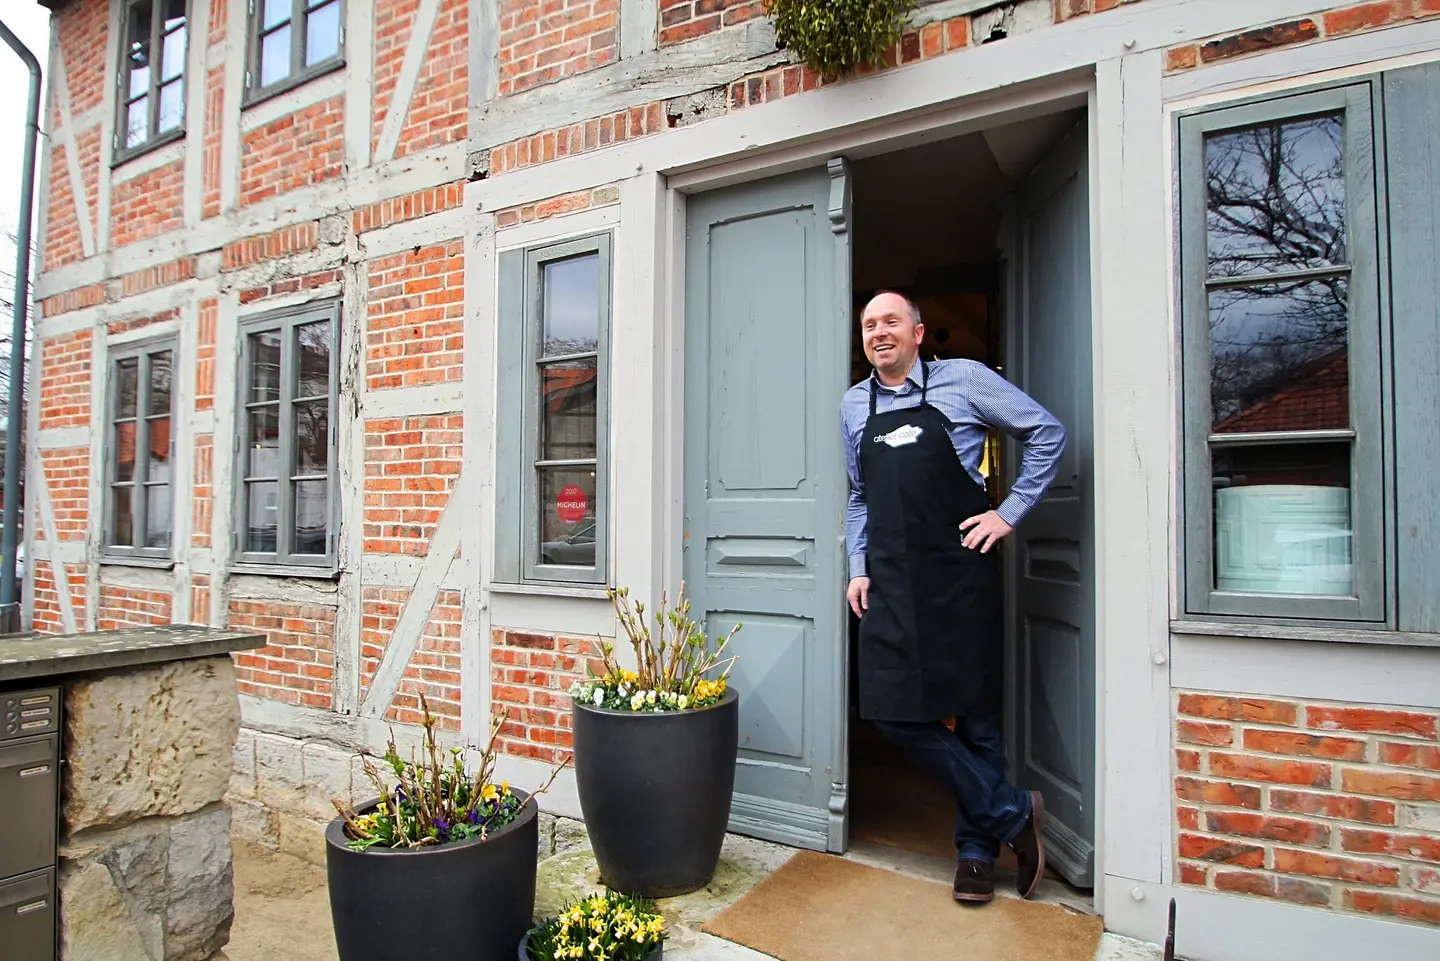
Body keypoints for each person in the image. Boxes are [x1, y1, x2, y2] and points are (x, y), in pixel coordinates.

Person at [842, 291, 1067, 905]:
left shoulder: (964, 380)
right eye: (869, 324)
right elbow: (860, 494)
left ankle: (975, 852)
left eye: (891, 321)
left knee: (975, 716)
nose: (879, 332)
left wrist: (1008, 513)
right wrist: (857, 567)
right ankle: (1012, 812)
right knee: (889, 710)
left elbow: (1046, 433)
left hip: (959, 573)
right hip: (890, 578)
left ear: (918, 332)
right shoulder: (854, 404)